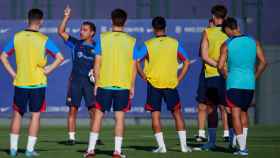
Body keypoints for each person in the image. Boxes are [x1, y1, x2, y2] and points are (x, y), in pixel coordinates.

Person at [0, 8, 64, 157]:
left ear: (28, 20)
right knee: (35, 115)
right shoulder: (44, 39)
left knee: (17, 115)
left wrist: (13, 74)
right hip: (38, 84)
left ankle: (13, 150)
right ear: (41, 21)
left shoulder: (17, 37)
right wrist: (48, 70)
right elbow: (60, 57)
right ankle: (29, 150)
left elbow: (3, 57)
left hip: (21, 83)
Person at [84, 8, 139, 158]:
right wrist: (132, 85)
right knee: (120, 117)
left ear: (111, 20)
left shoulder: (103, 38)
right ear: (125, 21)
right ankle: (117, 151)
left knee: (98, 116)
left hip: (104, 84)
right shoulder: (131, 41)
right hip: (122, 85)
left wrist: (96, 83)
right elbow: (134, 66)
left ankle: (90, 150)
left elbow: (97, 63)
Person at [136, 16, 192, 153]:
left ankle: (162, 147)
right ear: (165, 27)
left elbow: (136, 61)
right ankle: (184, 147)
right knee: (177, 114)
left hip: (154, 84)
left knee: (155, 115)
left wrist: (142, 75)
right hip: (170, 84)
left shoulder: (148, 44)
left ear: (153, 29)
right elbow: (187, 62)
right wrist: (179, 79)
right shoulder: (174, 43)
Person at [218, 17, 267, 156]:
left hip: (234, 84)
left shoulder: (227, 44)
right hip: (249, 84)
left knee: (235, 115)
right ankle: (242, 145)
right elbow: (263, 62)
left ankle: (242, 148)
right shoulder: (253, 41)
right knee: (244, 113)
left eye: (225, 31)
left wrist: (227, 76)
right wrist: (254, 76)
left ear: (228, 29)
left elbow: (220, 66)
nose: (226, 34)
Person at [58, 5, 102, 146]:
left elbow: (101, 65)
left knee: (93, 111)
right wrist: (66, 17)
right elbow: (61, 31)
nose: (81, 32)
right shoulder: (75, 44)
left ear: (92, 33)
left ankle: (95, 137)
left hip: (90, 83)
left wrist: (96, 78)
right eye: (81, 29)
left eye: (85, 30)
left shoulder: (98, 47)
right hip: (75, 81)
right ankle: (71, 138)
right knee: (73, 109)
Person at [196, 5, 233, 150]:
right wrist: (223, 66)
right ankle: (232, 141)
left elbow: (204, 56)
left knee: (212, 109)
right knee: (229, 109)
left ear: (213, 17)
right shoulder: (230, 33)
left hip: (211, 76)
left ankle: (212, 142)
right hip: (228, 75)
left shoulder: (207, 32)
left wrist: (218, 65)